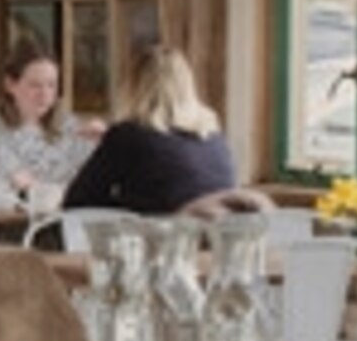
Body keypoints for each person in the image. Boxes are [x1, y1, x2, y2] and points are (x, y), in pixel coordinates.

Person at [62, 43, 237, 216]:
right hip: (216, 241)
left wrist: (126, 202)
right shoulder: (215, 139)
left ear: (133, 87)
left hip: (158, 239)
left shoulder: (127, 136)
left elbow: (77, 201)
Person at [0, 40, 99, 241]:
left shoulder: (74, 131)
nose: (45, 95)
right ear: (10, 84)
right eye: (35, 85)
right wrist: (15, 191)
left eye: (52, 85)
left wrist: (105, 142)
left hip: (62, 239)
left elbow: (91, 188)